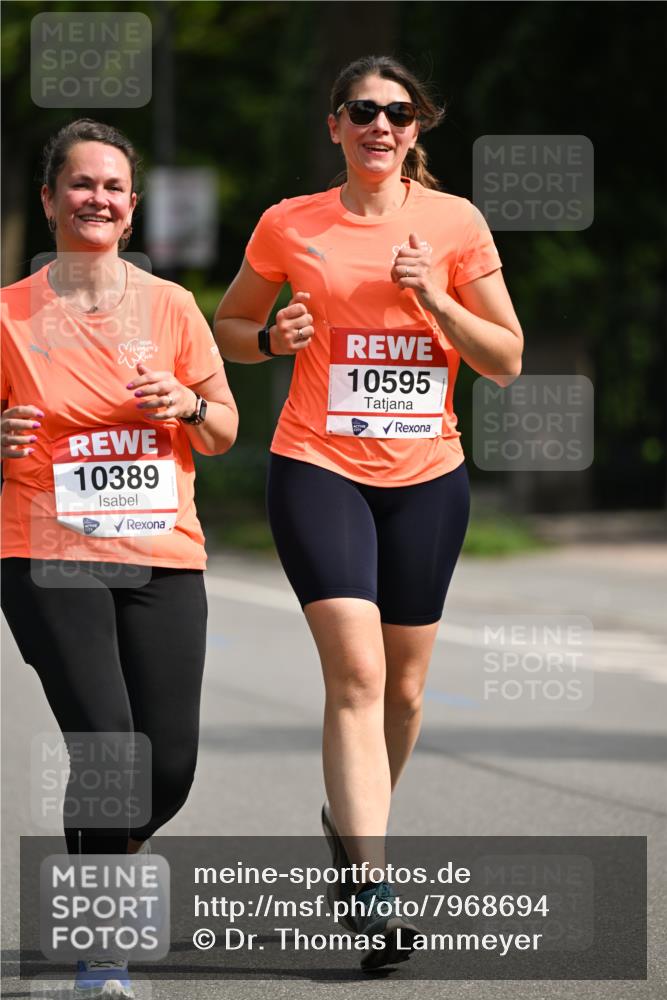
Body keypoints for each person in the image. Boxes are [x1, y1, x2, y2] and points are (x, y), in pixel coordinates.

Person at [214, 55, 522, 971]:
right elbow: (229, 326)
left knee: (405, 688)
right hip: (318, 464)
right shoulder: (290, 223)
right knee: (355, 671)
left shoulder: (454, 224)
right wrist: (271, 338)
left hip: (427, 475)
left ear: (416, 129)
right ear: (335, 126)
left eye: (396, 112)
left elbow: (503, 359)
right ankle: (374, 881)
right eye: (361, 111)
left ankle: (349, 828)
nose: (378, 126)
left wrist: (433, 298)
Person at [1, 119, 238, 998]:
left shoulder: (170, 307)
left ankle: (110, 859)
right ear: (50, 200)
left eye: (112, 188)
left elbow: (222, 430)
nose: (96, 199)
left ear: (131, 209)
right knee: (108, 748)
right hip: (45, 551)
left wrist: (185, 402)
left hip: (163, 555)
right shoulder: (7, 316)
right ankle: (101, 958)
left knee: (167, 764)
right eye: (80, 184)